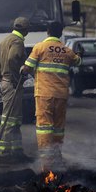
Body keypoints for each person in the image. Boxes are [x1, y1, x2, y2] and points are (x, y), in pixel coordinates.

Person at [22, 21, 81, 171]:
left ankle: (47, 162)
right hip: (61, 94)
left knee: (44, 127)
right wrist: (80, 54)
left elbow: (27, 68)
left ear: (47, 31)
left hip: (44, 94)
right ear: (60, 33)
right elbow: (78, 61)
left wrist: (23, 68)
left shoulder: (40, 47)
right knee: (58, 127)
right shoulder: (66, 50)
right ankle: (57, 156)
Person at [0, 17, 33, 165]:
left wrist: (2, 78)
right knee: (10, 121)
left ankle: (17, 152)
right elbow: (12, 59)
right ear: (25, 30)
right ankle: (4, 154)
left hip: (5, 82)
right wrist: (16, 78)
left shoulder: (5, 40)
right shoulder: (17, 41)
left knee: (15, 120)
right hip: (12, 84)